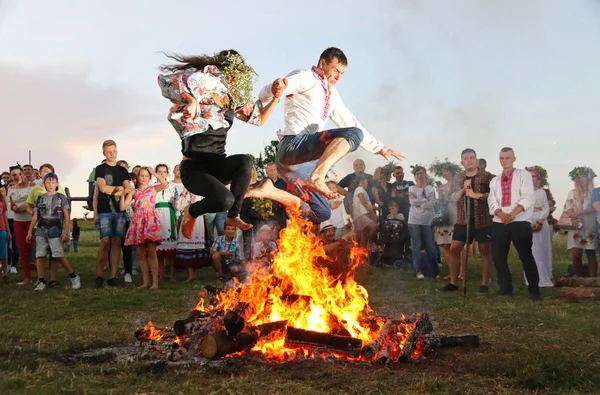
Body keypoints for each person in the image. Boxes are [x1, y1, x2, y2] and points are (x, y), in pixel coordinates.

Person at [253, 47, 404, 224]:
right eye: (336, 70)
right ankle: (317, 177)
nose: (338, 77)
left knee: (322, 212)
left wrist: (380, 148)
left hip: (300, 164)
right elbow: (274, 89)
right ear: (323, 63)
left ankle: (272, 191)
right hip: (293, 145)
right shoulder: (306, 77)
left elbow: (350, 122)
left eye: (342, 73)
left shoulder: (332, 95)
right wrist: (273, 88)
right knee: (354, 134)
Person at [157, 49, 285, 239]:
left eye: (238, 76)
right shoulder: (201, 83)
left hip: (217, 165)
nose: (234, 79)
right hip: (194, 169)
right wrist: (191, 101)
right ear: (223, 70)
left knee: (245, 161)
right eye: (232, 74)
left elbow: (260, 119)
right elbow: (165, 83)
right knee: (225, 200)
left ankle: (234, 215)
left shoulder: (231, 100)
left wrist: (276, 97)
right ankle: (191, 211)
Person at [488, 147, 541, 300]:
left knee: (525, 255)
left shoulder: (523, 175)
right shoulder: (495, 180)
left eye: (507, 157)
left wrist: (511, 215)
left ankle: (534, 290)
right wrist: (500, 214)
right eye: (501, 158)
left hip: (519, 219)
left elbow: (528, 198)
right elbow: (492, 200)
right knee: (498, 256)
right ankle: (505, 288)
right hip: (499, 220)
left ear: (514, 158)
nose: (504, 161)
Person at [441, 149, 494, 293]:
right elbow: (451, 197)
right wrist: (463, 191)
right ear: (462, 162)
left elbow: (494, 195)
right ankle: (453, 282)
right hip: (463, 219)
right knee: (454, 248)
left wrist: (477, 195)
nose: (469, 160)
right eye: (466, 158)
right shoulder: (458, 178)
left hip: (482, 220)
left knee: (484, 250)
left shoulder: (487, 177)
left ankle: (484, 284)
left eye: (472, 158)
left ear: (476, 160)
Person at [25, 173, 81, 291]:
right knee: (39, 255)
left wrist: (66, 231)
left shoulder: (61, 197)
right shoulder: (40, 198)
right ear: (44, 184)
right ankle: (41, 281)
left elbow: (66, 215)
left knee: (58, 255)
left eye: (52, 182)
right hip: (41, 229)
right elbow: (36, 215)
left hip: (55, 230)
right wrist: (30, 231)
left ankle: (73, 276)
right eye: (48, 182)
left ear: (57, 183)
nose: (50, 185)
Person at [94, 140, 133, 288]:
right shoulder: (100, 169)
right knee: (105, 241)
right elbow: (102, 189)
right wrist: (119, 189)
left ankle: (113, 275)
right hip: (105, 210)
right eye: (109, 151)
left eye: (114, 151)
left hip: (119, 211)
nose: (112, 154)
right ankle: (99, 275)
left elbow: (128, 188)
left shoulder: (122, 171)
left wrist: (116, 190)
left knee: (117, 241)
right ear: (104, 153)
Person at [122, 167, 167, 289]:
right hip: (138, 222)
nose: (144, 178)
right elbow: (123, 206)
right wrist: (123, 194)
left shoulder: (152, 189)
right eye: (141, 176)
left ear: (149, 178)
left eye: (146, 176)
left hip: (150, 221)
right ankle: (145, 281)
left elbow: (164, 184)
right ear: (137, 177)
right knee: (141, 253)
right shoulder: (134, 192)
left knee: (152, 253)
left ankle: (155, 283)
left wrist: (153, 172)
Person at [562, 166, 597, 278]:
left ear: (589, 179)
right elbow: (568, 207)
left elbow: (595, 207)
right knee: (576, 253)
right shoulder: (572, 192)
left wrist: (583, 211)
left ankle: (592, 280)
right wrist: (573, 215)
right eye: (579, 177)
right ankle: (579, 278)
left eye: (584, 177)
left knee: (590, 252)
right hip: (576, 225)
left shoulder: (594, 193)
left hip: (590, 224)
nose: (581, 179)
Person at [174, 190, 212, 282]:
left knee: (197, 247)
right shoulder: (184, 193)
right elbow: (178, 206)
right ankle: (191, 274)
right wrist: (184, 192)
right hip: (187, 219)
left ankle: (195, 274)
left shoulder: (201, 193)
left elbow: (207, 209)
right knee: (187, 246)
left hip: (198, 221)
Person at [407, 166, 438, 279]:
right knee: (417, 245)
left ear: (425, 174)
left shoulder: (430, 188)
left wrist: (421, 203)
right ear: (414, 177)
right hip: (414, 220)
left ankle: (432, 270)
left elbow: (432, 203)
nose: (420, 175)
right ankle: (418, 270)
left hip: (427, 220)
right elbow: (412, 201)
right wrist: (425, 201)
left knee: (430, 245)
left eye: (422, 173)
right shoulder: (411, 189)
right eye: (417, 173)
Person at [7, 165, 35, 285]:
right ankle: (27, 278)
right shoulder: (11, 188)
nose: (17, 177)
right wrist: (14, 208)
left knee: (34, 249)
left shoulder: (32, 186)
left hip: (31, 220)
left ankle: (40, 278)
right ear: (11, 177)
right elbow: (10, 203)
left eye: (19, 174)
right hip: (18, 221)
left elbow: (36, 201)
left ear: (23, 174)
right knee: (22, 249)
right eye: (14, 175)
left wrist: (25, 207)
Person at [526, 168, 553, 287]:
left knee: (542, 250)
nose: (531, 178)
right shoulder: (523, 193)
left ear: (537, 178)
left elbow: (546, 208)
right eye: (529, 176)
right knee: (531, 250)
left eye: (533, 176)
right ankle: (531, 278)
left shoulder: (541, 192)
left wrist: (540, 221)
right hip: (527, 220)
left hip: (539, 219)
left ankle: (544, 278)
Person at [154, 164, 178, 281]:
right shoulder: (152, 187)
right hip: (157, 216)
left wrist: (177, 218)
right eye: (159, 171)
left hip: (169, 216)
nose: (162, 174)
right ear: (156, 173)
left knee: (171, 251)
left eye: (164, 172)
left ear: (167, 173)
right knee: (159, 250)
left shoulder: (172, 187)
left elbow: (176, 203)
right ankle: (161, 275)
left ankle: (172, 275)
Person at [352, 176, 378, 249]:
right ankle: (372, 243)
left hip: (363, 215)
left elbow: (368, 204)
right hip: (361, 215)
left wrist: (378, 208)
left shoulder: (362, 190)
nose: (367, 184)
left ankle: (362, 255)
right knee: (374, 226)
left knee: (364, 238)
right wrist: (373, 214)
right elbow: (363, 201)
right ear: (362, 181)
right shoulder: (360, 189)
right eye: (366, 182)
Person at [0, 187, 11, 281]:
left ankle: (5, 274)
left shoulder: (2, 204)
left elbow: (5, 218)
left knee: (3, 254)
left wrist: (8, 231)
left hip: (2, 230)